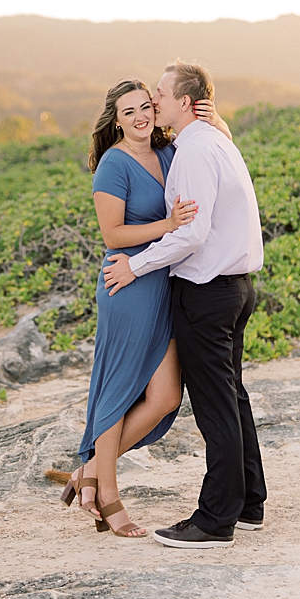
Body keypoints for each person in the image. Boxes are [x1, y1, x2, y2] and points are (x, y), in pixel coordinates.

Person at [102, 60, 266, 549]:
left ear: (185, 103)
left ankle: (215, 520)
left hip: (207, 292)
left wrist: (137, 265)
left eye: (160, 94)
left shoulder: (195, 151)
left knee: (217, 407)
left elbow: (191, 232)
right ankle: (249, 502)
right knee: (233, 397)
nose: (154, 101)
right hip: (236, 288)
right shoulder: (212, 141)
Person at [60, 78, 231, 538]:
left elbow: (220, 159)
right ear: (116, 119)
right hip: (128, 284)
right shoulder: (113, 165)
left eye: (145, 107)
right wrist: (169, 223)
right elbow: (112, 236)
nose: (140, 117)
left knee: (165, 398)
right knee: (117, 395)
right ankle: (110, 501)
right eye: (129, 110)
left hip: (164, 285)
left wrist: (216, 121)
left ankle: (91, 471)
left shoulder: (170, 152)